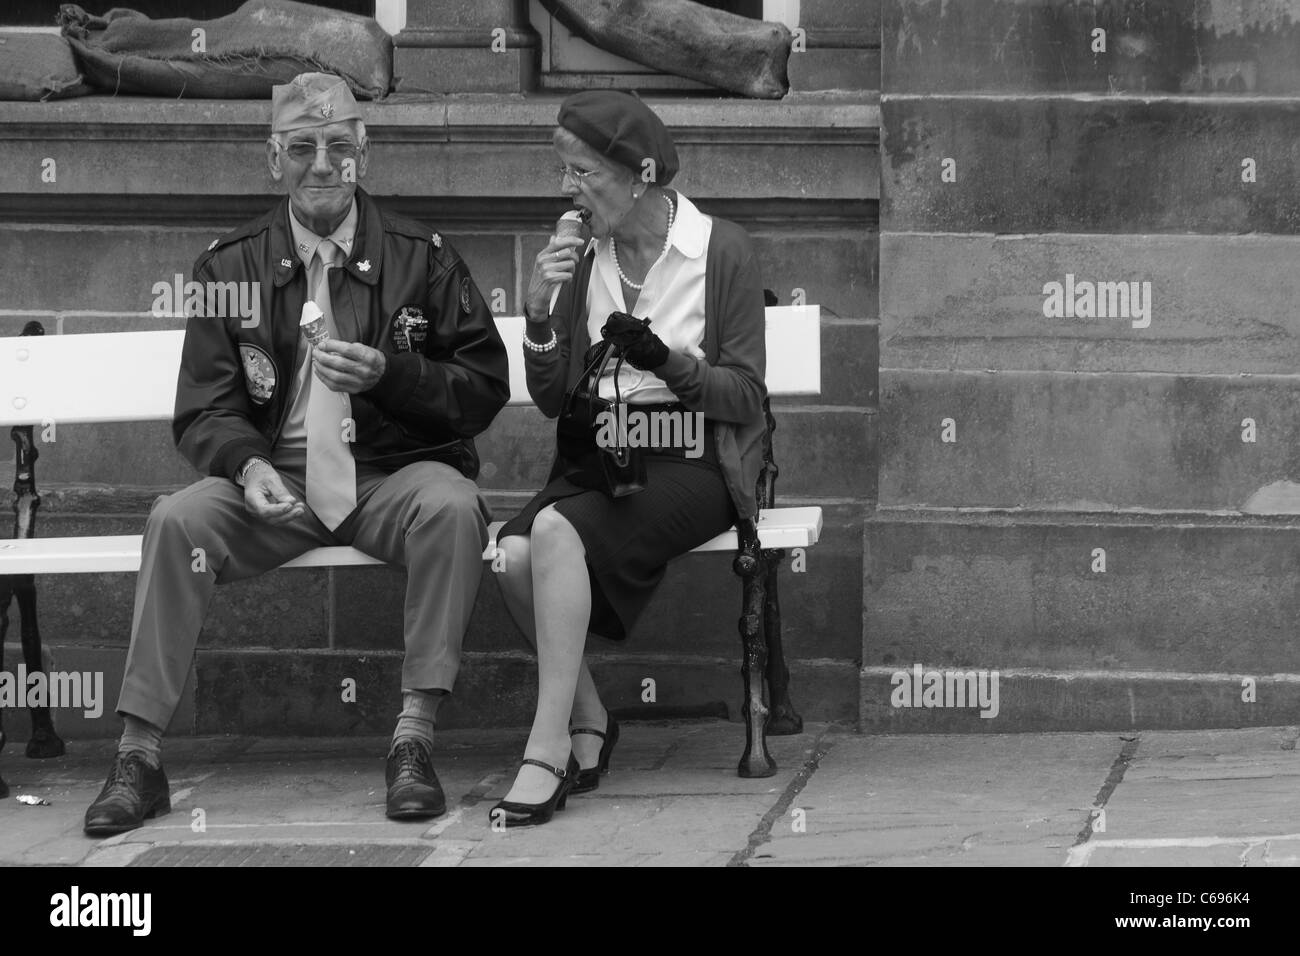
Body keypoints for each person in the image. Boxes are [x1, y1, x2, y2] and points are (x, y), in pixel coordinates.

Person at [83, 73, 510, 836]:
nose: (323, 165)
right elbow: (205, 409)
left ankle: (413, 740)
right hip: (273, 486)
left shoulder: (425, 256)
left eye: (339, 147)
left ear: (363, 156)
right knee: (175, 521)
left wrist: (394, 374)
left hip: (388, 480)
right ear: (271, 158)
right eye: (304, 148)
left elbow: (483, 386)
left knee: (452, 506)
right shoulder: (227, 268)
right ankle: (138, 756)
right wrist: (246, 467)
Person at [491, 90, 768, 826]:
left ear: (640, 173)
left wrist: (669, 363)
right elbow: (553, 400)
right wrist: (540, 314)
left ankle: (545, 749)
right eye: (562, 171)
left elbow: (743, 396)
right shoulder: (587, 257)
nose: (566, 189)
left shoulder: (722, 250)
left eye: (582, 172)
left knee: (552, 534)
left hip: (695, 460)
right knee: (511, 555)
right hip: (604, 453)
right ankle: (591, 720)